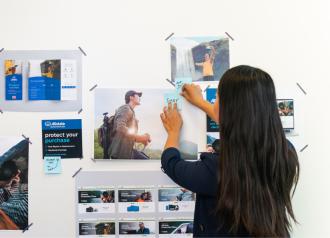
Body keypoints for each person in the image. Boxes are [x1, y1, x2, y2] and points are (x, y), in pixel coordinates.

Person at [160, 65, 300, 237]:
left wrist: (173, 132)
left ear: (229, 108)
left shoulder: (216, 169)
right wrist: (201, 103)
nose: (215, 102)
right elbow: (245, 124)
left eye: (217, 97)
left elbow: (171, 163)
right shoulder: (286, 152)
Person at [108, 90, 151, 159]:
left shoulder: (131, 111)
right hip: (120, 154)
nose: (139, 98)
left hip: (127, 152)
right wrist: (140, 137)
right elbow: (120, 127)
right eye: (138, 95)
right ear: (131, 97)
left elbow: (127, 136)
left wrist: (142, 140)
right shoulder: (125, 108)